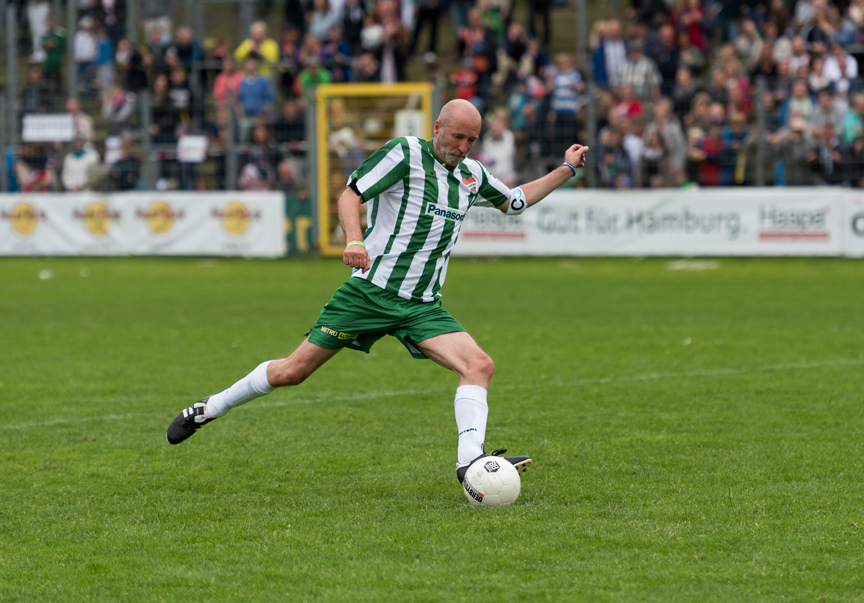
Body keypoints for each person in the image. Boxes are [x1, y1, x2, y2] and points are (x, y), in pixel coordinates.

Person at [166, 99, 589, 495]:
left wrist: (566, 170)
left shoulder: (472, 176)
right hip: (369, 293)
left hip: (422, 306)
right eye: (456, 136)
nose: (462, 147)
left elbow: (514, 202)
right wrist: (355, 240)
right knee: (293, 372)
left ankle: (470, 465)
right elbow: (351, 194)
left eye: (471, 140)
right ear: (437, 127)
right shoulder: (405, 153)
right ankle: (210, 407)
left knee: (479, 365)